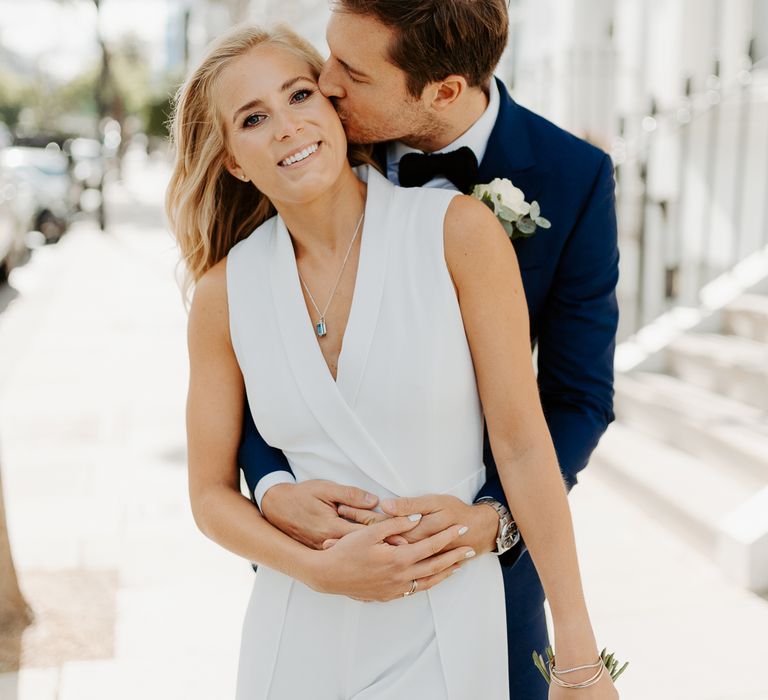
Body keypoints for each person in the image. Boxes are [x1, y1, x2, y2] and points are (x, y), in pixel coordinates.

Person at [167, 18, 619, 700]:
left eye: (299, 96)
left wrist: (579, 656)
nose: (288, 126)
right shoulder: (221, 295)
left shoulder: (459, 231)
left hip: (453, 612)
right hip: (298, 628)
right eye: (254, 117)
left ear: (332, 107)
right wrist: (313, 568)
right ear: (231, 157)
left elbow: (527, 445)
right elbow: (208, 493)